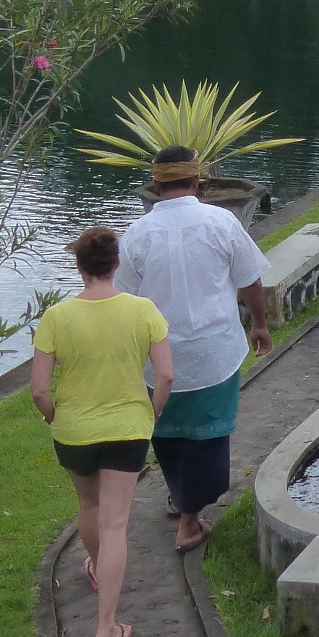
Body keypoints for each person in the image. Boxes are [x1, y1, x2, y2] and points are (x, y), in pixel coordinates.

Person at [31, 227, 174, 637]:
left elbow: (39, 390)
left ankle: (96, 567)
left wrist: (53, 415)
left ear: (79, 266)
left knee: (89, 507)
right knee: (115, 524)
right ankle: (106, 626)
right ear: (116, 264)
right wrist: (151, 413)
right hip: (127, 429)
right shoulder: (143, 310)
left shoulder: (56, 317)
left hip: (73, 432)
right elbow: (166, 375)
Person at [118, 146, 271, 550]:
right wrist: (259, 323)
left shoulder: (136, 234)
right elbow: (250, 280)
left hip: (157, 358)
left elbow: (122, 300)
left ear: (156, 185)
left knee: (166, 432)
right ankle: (188, 523)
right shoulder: (221, 221)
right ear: (197, 180)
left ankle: (180, 494)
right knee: (208, 434)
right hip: (213, 352)